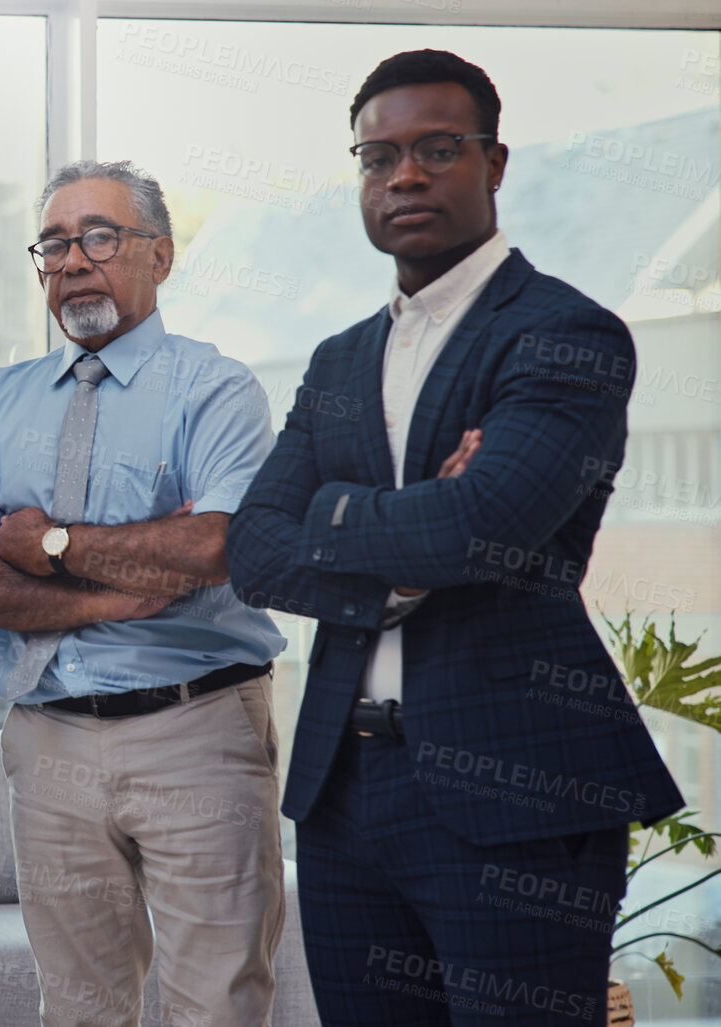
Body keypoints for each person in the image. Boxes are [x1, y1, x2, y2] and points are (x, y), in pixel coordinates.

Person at [227, 50, 684, 1024]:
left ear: (494, 161)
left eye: (437, 149)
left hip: (518, 789)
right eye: (378, 156)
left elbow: (481, 529)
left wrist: (335, 511)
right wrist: (405, 543)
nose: (405, 175)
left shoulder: (565, 334)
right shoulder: (340, 359)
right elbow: (255, 549)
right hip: (346, 792)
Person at [0, 160, 288, 1027]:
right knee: (78, 1011)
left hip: (196, 728)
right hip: (47, 738)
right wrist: (108, 595)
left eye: (99, 237)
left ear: (159, 254)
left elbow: (215, 544)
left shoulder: (215, 388)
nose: (73, 260)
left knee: (218, 1009)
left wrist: (47, 545)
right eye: (53, 244)